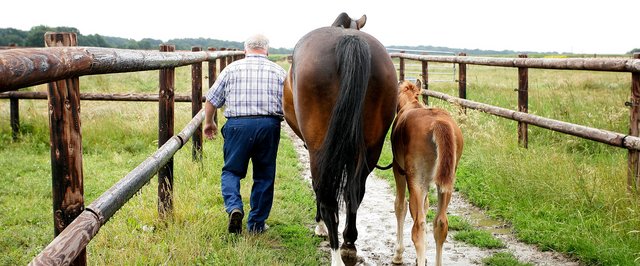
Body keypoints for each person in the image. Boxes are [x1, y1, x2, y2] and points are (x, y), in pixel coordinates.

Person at [203, 34, 286, 234]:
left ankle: (234, 207)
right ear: (267, 50)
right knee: (264, 176)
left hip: (237, 125)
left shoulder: (231, 69)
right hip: (269, 125)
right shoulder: (279, 72)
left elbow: (212, 99)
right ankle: (256, 224)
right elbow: (291, 105)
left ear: (245, 49)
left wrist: (209, 122)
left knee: (231, 171)